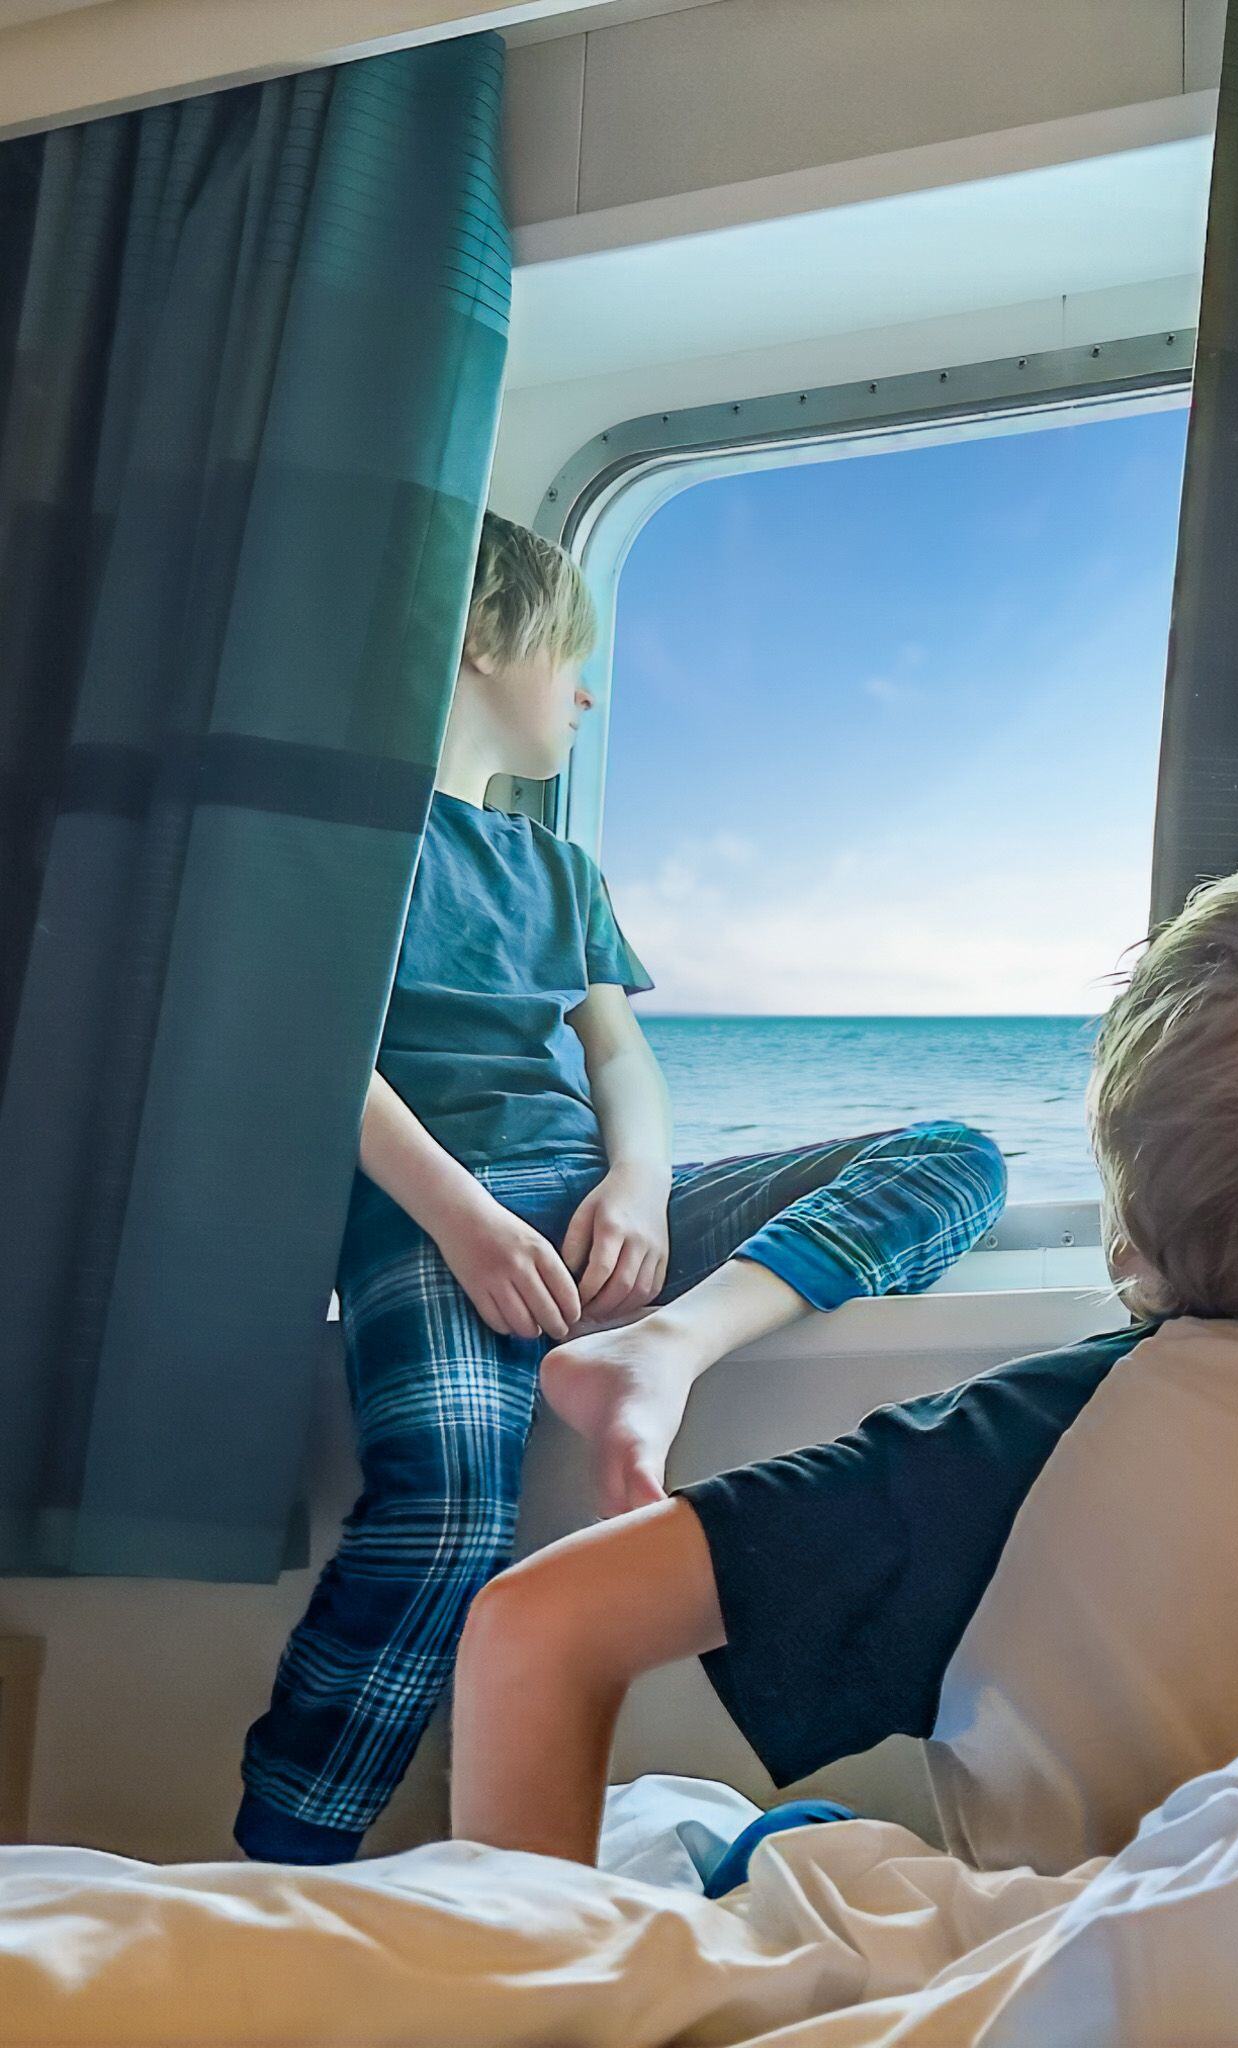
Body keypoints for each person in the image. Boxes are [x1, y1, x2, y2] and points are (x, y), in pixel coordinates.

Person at [448, 867, 1238, 1876]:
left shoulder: (1019, 1453)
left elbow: (535, 1627)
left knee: (732, 1837)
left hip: (1076, 1982)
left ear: (1127, 1220)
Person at [235, 514, 1008, 1864]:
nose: (587, 694)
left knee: (958, 1158)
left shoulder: (559, 869)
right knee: (444, 1516)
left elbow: (618, 1055)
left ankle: (661, 1352)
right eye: (573, 659)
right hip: (437, 1209)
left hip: (598, 1206)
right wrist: (463, 1219)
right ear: (483, 636)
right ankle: (284, 1866)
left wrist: (641, 1189)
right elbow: (327, 1051)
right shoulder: (344, 843)